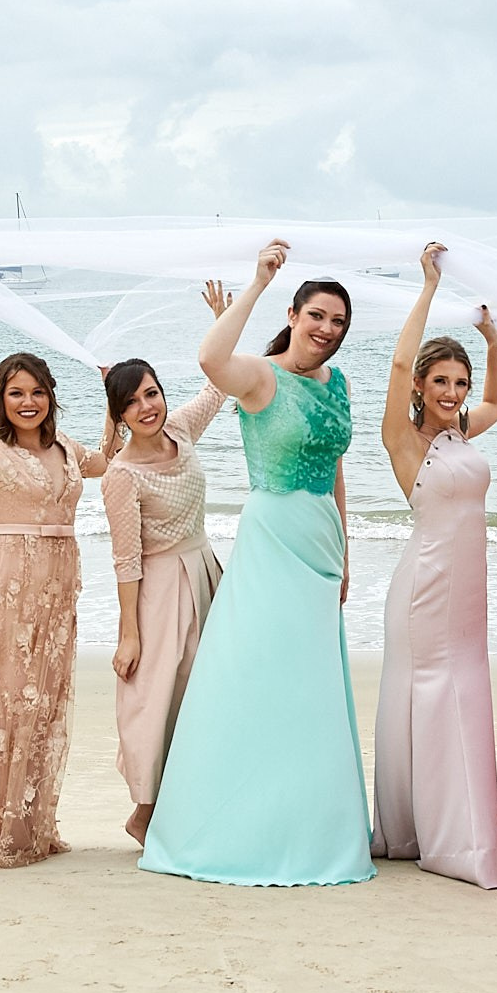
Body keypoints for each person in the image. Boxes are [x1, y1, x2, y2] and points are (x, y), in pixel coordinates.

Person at [140, 241, 373, 887]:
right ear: (295, 314)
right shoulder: (261, 377)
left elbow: (336, 467)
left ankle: (311, 821)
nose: (328, 330)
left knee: (312, 685)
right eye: (318, 315)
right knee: (261, 675)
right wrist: (257, 282)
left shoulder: (341, 382)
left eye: (339, 322)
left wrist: (346, 549)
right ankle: (239, 825)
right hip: (273, 536)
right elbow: (210, 357)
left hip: (321, 539)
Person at [0, 300, 105, 866]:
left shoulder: (67, 451)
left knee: (42, 703)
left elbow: (111, 456)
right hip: (5, 581)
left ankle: (29, 823)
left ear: (50, 396)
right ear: (1, 401)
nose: (27, 402)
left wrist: (112, 395)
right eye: (15, 393)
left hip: (58, 585)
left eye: (36, 392)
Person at [371, 241, 497, 888]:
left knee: (463, 690)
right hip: (424, 588)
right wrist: (427, 287)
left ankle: (440, 824)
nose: (454, 393)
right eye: (442, 382)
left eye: (459, 383)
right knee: (429, 694)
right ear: (421, 386)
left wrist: (491, 344)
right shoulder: (404, 438)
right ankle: (427, 831)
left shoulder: (463, 430)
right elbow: (400, 358)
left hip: (468, 594)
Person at [99, 281, 234, 845]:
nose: (146, 407)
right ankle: (145, 812)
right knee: (157, 694)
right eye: (131, 402)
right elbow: (125, 560)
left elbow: (219, 386)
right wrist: (129, 634)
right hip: (157, 589)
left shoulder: (180, 427)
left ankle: (192, 799)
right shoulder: (122, 474)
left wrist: (223, 321)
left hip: (204, 570)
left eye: (150, 393)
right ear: (119, 413)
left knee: (207, 687)